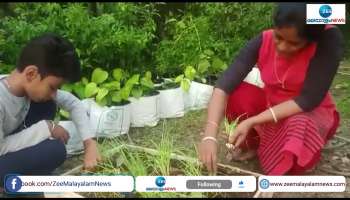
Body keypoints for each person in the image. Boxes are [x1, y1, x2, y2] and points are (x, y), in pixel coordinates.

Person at [198, 3, 344, 175]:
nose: (282, 47)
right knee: (238, 94)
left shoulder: (326, 42)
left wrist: (253, 120)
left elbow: (308, 100)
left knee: (298, 128)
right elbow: (224, 85)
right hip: (271, 109)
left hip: (307, 113)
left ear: (309, 41)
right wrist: (209, 135)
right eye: (278, 37)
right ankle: (258, 145)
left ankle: (293, 151)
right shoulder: (263, 40)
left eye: (293, 43)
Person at [0, 33, 101, 191]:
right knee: (55, 150)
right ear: (31, 73)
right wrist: (47, 128)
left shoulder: (27, 87)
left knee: (46, 104)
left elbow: (73, 103)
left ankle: (23, 181)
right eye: (53, 87)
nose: (54, 93)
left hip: (8, 146)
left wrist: (90, 143)